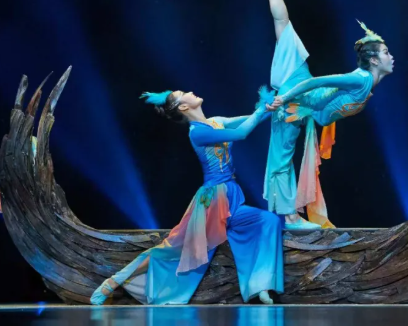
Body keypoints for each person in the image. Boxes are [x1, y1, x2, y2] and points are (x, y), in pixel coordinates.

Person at [90, 90, 283, 305]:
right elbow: (241, 133)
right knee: (171, 248)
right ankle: (113, 282)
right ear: (183, 107)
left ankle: (261, 285)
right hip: (212, 201)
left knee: (269, 221)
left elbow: (250, 119)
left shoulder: (216, 121)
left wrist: (274, 105)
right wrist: (262, 111)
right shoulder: (197, 133)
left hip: (232, 197)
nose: (191, 92)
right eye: (184, 94)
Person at [254, 0, 395, 229]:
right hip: (296, 96)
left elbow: (325, 106)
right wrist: (284, 98)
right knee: (281, 158)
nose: (391, 57)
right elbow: (317, 82)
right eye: (386, 52)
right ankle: (290, 218)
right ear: (373, 60)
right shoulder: (360, 79)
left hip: (301, 95)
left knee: (283, 24)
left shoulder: (366, 84)